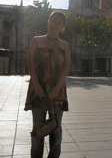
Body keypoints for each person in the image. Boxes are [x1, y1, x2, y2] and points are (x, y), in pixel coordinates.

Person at [24, 11, 70, 158]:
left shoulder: (65, 46)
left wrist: (57, 88)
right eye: (53, 21)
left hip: (58, 92)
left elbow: (66, 68)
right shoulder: (36, 41)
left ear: (63, 27)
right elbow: (30, 64)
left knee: (56, 129)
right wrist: (36, 85)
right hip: (38, 91)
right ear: (48, 22)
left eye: (59, 23)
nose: (55, 25)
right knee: (38, 129)